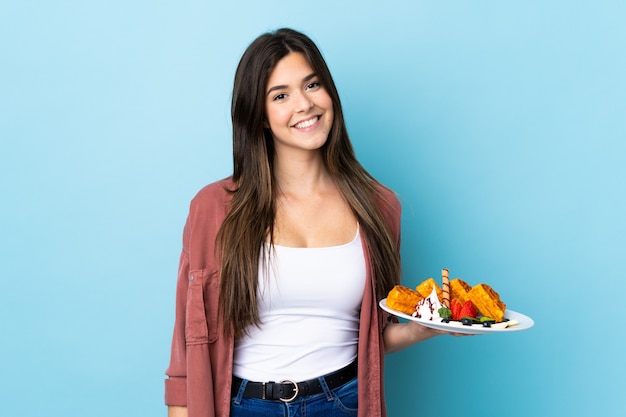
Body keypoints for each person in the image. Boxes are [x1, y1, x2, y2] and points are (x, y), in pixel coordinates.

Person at [164, 28, 448, 417]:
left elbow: (372, 336)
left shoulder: (379, 206)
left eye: (312, 85)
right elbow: (187, 351)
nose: (304, 104)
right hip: (245, 406)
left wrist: (427, 325)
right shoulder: (213, 209)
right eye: (280, 95)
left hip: (344, 402)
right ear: (260, 117)